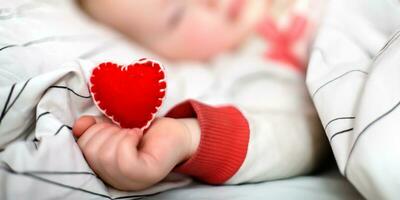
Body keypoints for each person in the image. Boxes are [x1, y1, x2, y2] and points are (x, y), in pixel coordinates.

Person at [73, 0, 327, 191]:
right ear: (161, 53)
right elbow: (297, 136)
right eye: (177, 15)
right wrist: (188, 137)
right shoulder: (248, 72)